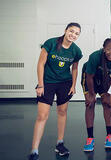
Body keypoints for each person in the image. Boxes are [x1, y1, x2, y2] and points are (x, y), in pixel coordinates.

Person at [28, 22, 83, 160]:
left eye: (76, 33)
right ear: (65, 30)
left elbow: (75, 68)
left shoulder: (76, 51)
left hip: (65, 83)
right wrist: (40, 85)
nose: (73, 35)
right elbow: (41, 63)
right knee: (42, 116)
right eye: (71, 31)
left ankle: (60, 143)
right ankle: (34, 150)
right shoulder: (51, 43)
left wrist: (73, 85)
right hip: (47, 82)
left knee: (62, 112)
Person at [81, 38, 111, 151]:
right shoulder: (95, 56)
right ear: (104, 49)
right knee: (90, 104)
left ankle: (109, 136)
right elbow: (89, 76)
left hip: (107, 79)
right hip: (91, 79)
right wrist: (92, 94)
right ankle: (90, 138)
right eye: (109, 49)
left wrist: (108, 94)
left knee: (108, 104)